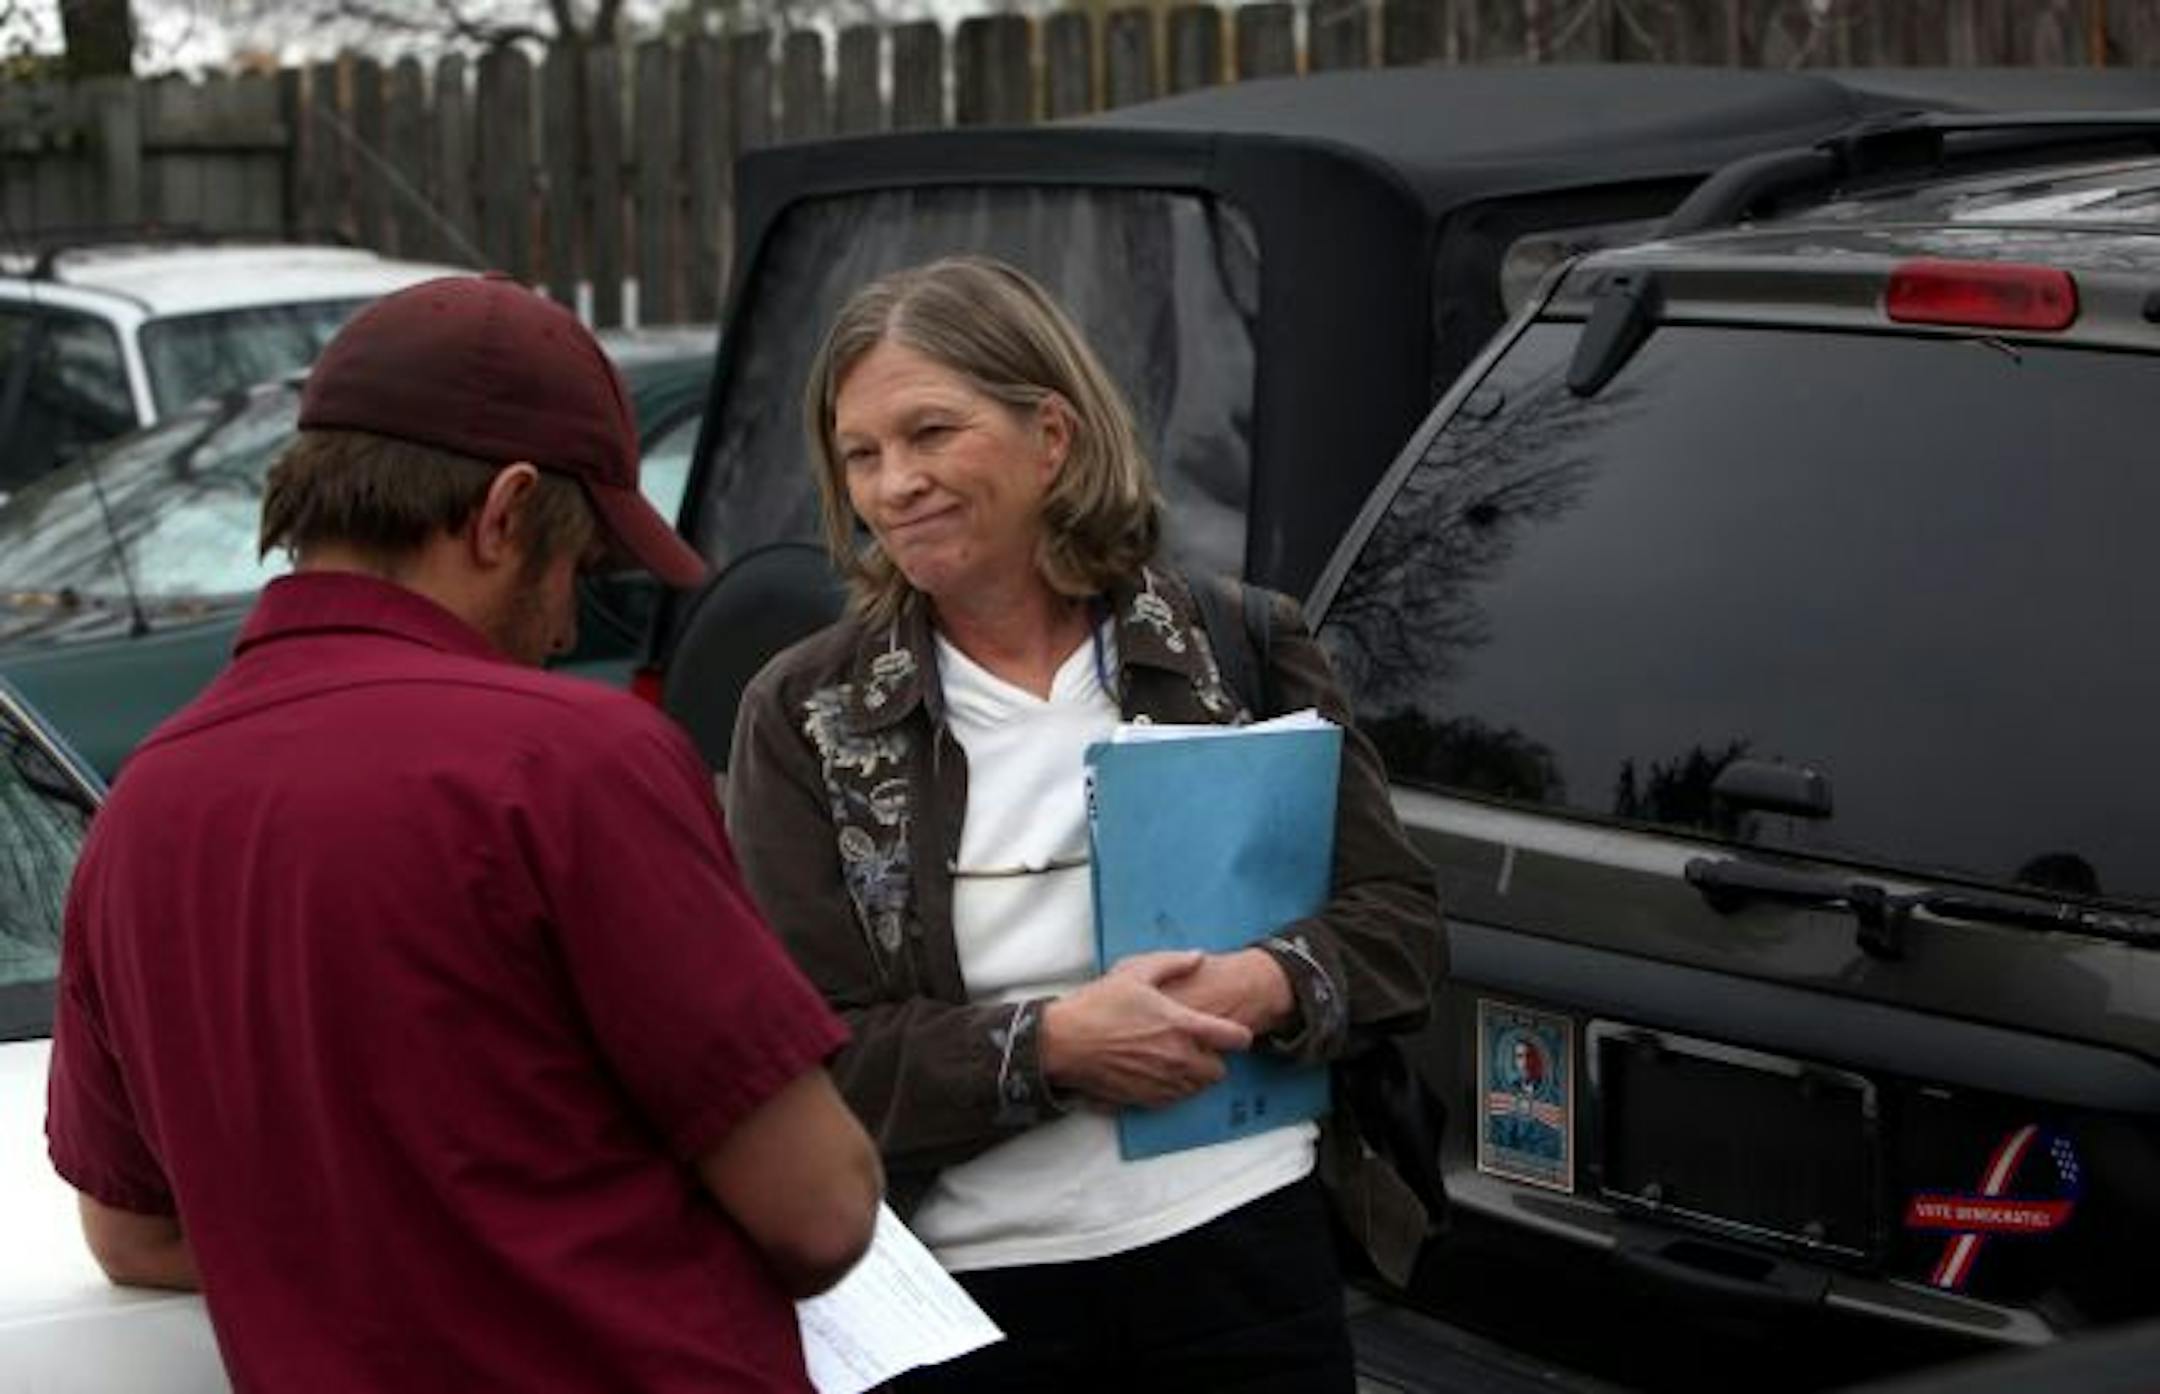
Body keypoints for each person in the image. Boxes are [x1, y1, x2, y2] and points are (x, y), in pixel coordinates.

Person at [45, 274, 883, 1393]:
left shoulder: (143, 804)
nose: (567, 623)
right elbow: (822, 1207)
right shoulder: (571, 759)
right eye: (581, 568)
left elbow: (131, 1233)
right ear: (503, 512)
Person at [725, 256, 1443, 1393]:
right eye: (861, 455)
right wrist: (1053, 1046)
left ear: (1051, 435)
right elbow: (802, 1056)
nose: (895, 483)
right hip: (967, 1295)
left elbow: (1398, 926)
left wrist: (1264, 982)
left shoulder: (1236, 648)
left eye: (931, 432)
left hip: (1247, 1255)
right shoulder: (811, 715)